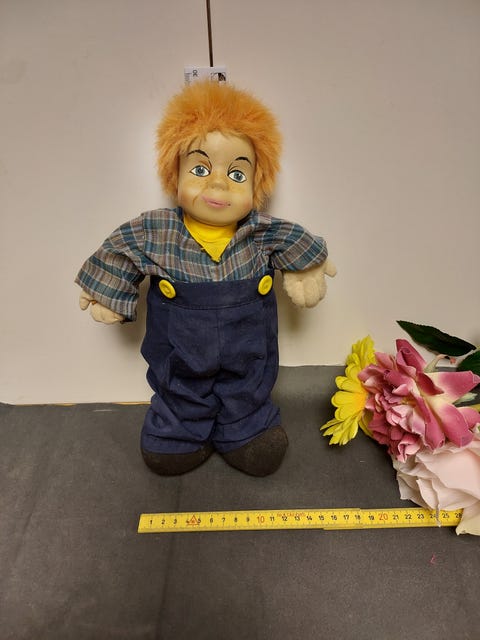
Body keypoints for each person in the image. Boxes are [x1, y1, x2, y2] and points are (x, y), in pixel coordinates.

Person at [76, 81, 336, 476]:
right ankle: (178, 430)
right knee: (177, 384)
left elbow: (293, 240)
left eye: (237, 173)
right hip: (180, 350)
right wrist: (109, 291)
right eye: (200, 169)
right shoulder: (155, 230)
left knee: (249, 381)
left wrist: (307, 266)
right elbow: (122, 249)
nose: (217, 184)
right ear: (175, 173)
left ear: (257, 183)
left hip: (247, 347)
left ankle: (246, 427)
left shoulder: (260, 231)